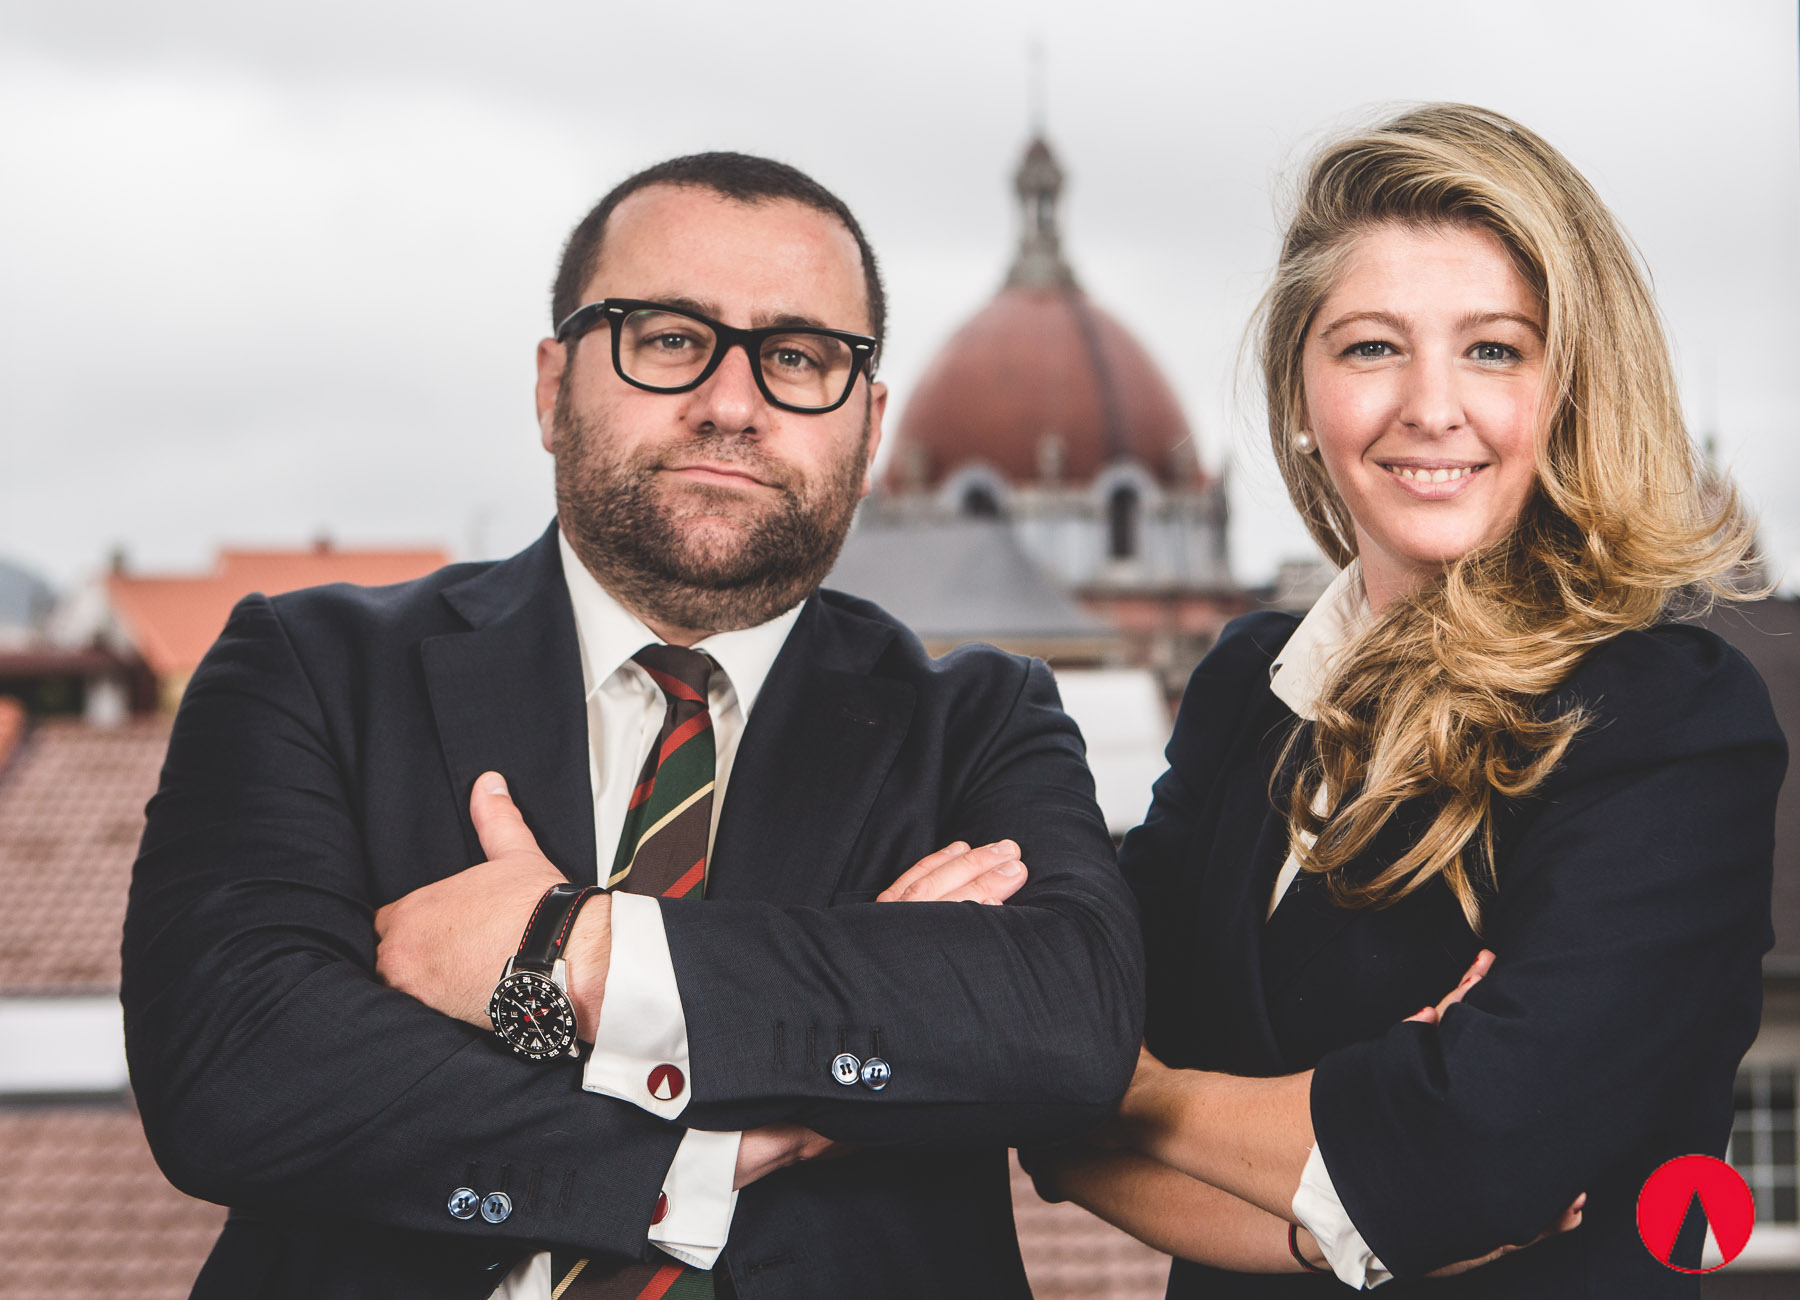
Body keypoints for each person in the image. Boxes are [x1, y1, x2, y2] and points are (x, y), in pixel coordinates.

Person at [121, 152, 1143, 1300]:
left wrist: (570, 950)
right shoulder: (314, 669)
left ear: (868, 430)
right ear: (552, 386)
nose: (731, 403)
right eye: (667, 338)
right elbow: (235, 1069)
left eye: (798, 357)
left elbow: (1068, 1030)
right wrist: (727, 1136)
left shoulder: (979, 722)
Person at [1025, 103, 1785, 1295]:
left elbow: (1475, 1161)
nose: (1432, 406)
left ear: (1572, 387)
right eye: (1373, 346)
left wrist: (1147, 1093)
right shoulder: (1249, 689)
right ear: (1299, 392)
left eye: (1495, 349)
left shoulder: (1669, 720)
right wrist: (1341, 1198)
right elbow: (1055, 1112)